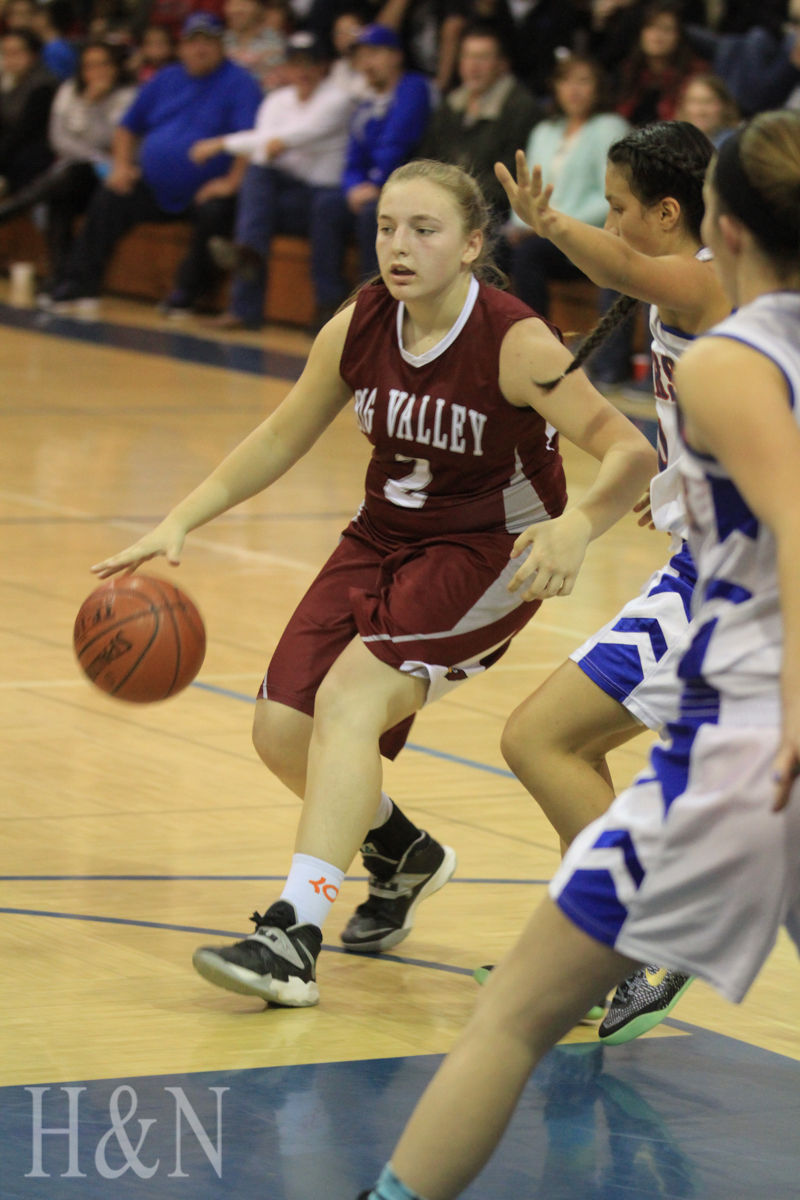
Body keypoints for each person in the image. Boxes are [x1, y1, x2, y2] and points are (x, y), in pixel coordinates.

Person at [357, 106, 800, 1200]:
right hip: (747, 709)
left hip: (741, 741)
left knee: (510, 1017)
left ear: (720, 229)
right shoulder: (740, 327)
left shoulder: (729, 359)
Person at [90, 157, 655, 1009]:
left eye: (423, 229)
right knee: (282, 730)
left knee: (351, 702)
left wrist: (576, 526)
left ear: (471, 245)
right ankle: (402, 855)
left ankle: (292, 933)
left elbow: (629, 450)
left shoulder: (514, 339)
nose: (398, 244)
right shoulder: (358, 321)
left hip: (486, 556)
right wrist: (181, 517)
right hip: (381, 537)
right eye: (388, 226)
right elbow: (282, 435)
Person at [494, 119, 731, 1042]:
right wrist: (681, 485)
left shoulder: (710, 277)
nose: (610, 221)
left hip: (733, 584)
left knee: (538, 742)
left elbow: (626, 272)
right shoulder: (702, 291)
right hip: (701, 558)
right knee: (561, 747)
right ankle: (602, 953)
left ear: (668, 214)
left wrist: (550, 222)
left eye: (621, 208)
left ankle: (652, 935)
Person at [43, 13, 261, 315]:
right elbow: (127, 128)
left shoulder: (241, 82)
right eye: (194, 42)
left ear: (221, 46)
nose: (200, 49)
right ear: (182, 47)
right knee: (110, 196)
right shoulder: (166, 77)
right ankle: (79, 284)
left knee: (217, 211)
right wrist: (120, 166)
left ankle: (187, 294)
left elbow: (250, 138)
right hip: (154, 185)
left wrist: (232, 182)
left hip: (206, 189)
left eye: (208, 42)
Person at [190, 29, 354, 331]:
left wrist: (220, 144)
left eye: (311, 62)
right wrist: (267, 146)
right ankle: (246, 286)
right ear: (287, 68)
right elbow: (265, 148)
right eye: (297, 63)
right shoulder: (276, 101)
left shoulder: (338, 100)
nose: (304, 71)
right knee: (258, 174)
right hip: (287, 194)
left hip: (324, 194)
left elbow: (293, 137)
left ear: (323, 66)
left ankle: (320, 304)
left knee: (316, 205)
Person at [506, 54, 630, 384]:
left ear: (598, 88)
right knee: (490, 246)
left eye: (583, 81)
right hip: (542, 231)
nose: (573, 90)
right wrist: (522, 223)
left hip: (588, 237)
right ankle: (493, 346)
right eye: (566, 81)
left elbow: (612, 195)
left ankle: (540, 351)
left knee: (528, 255)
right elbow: (524, 184)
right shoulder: (544, 130)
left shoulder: (611, 128)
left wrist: (552, 222)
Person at [311, 23, 431, 322]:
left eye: (374, 53)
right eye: (362, 55)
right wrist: (353, 186)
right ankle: (330, 304)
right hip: (370, 190)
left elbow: (398, 141)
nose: (367, 63)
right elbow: (352, 155)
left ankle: (375, 307)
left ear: (396, 56)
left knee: (373, 218)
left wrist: (376, 183)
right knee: (327, 206)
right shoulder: (365, 101)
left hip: (410, 189)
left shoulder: (412, 88)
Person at [0, 40, 136, 285]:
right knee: (61, 193)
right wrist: (92, 152)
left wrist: (91, 107)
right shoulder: (68, 90)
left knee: (68, 175)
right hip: (75, 174)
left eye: (103, 64)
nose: (97, 71)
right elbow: (59, 140)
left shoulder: (128, 96)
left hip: (112, 174)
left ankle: (9, 210)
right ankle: (61, 275)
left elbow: (115, 140)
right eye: (89, 65)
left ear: (116, 67)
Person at [418, 23, 540, 226]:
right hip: (444, 205)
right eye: (467, 56)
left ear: (502, 64)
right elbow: (427, 159)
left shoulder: (521, 109)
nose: (473, 66)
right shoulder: (450, 106)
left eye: (482, 58)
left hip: (492, 214)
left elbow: (507, 181)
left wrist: (451, 199)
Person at [615, 0, 707, 127]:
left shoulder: (695, 73)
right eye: (651, 27)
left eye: (666, 29)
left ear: (679, 36)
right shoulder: (629, 71)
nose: (657, 35)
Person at [0, 29, 57, 197]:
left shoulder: (43, 85)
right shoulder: (10, 81)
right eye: (6, 53)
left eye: (16, 52)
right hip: (11, 147)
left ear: (33, 54)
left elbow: (23, 133)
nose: (10, 59)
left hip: (34, 152)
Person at [676, 72, 739, 149]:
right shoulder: (673, 144)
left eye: (708, 101)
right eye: (694, 101)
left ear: (724, 106)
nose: (701, 111)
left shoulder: (737, 145)